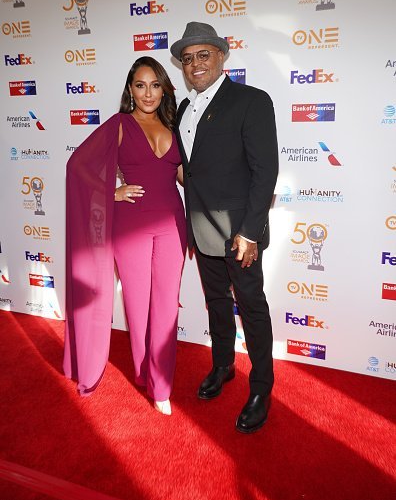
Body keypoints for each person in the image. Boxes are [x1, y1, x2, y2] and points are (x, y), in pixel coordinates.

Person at [170, 22, 278, 433]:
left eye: (203, 55)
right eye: (187, 58)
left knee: (251, 308)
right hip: (202, 228)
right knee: (216, 302)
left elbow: (265, 171)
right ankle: (222, 366)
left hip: (239, 234)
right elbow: (190, 168)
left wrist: (250, 233)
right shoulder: (183, 108)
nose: (195, 64)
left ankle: (261, 388)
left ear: (221, 56)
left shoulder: (251, 101)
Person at [64, 56, 186, 416]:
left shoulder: (175, 124)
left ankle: (161, 385)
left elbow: (182, 176)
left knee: (166, 307)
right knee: (138, 307)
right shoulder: (120, 124)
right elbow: (78, 166)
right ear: (130, 90)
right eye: (140, 85)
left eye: (155, 85)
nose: (148, 93)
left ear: (164, 88)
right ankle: (143, 372)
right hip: (130, 227)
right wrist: (110, 192)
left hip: (172, 225)